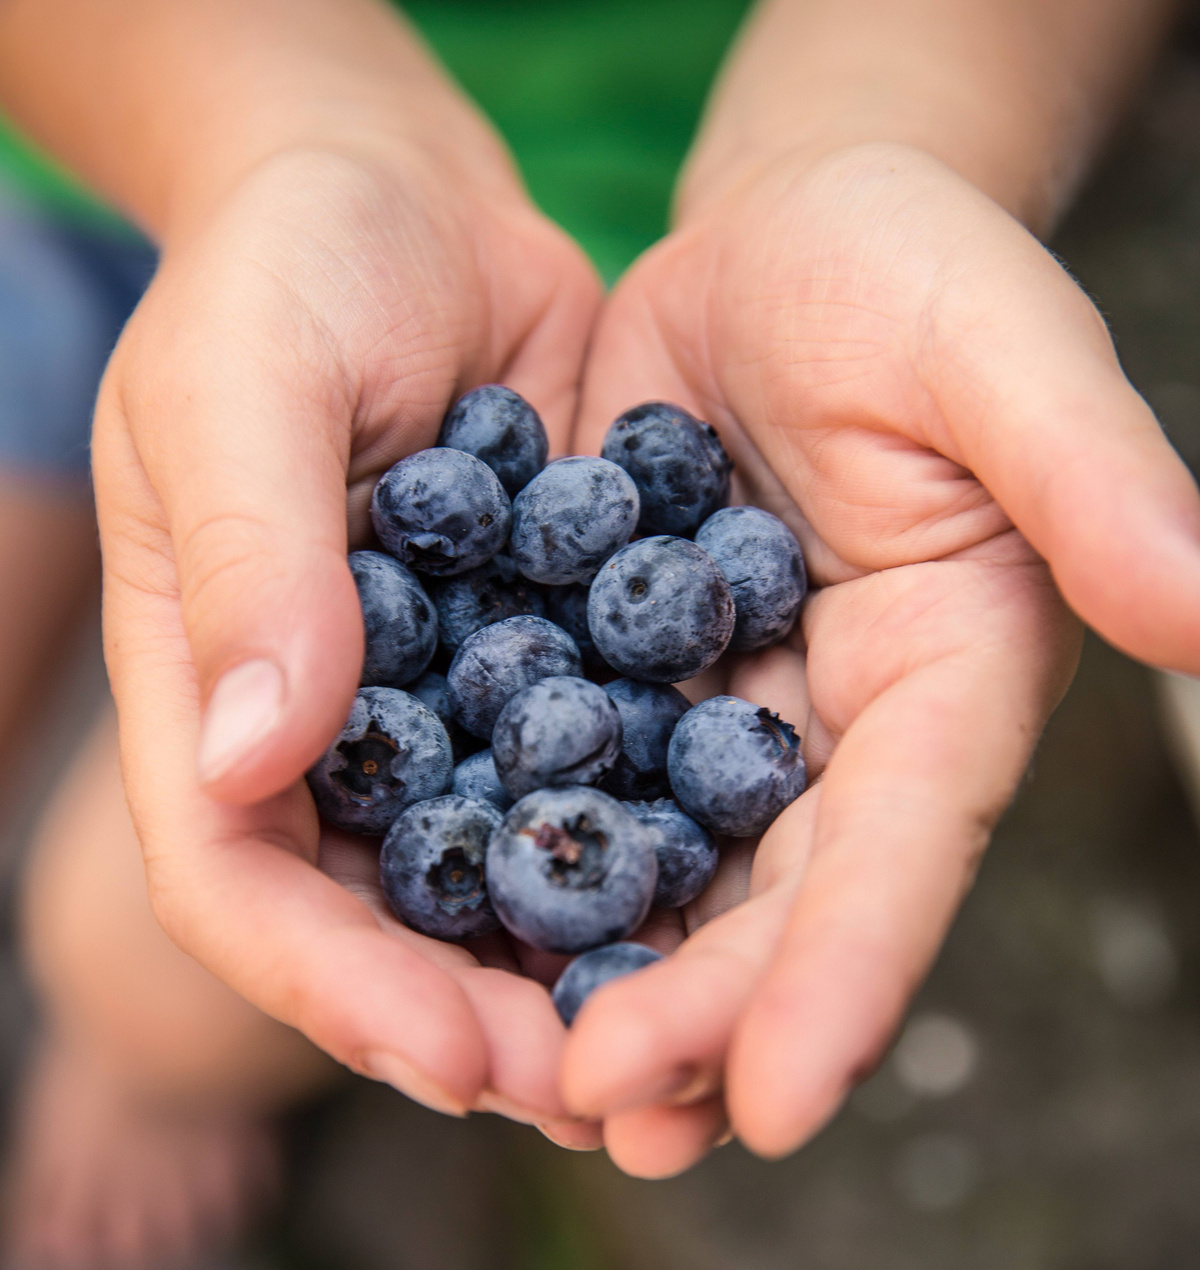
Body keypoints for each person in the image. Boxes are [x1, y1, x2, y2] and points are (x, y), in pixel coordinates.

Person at [0, 0, 1197, 1262]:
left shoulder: (589, 708)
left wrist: (885, 130)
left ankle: (137, 1065)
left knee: (131, 964)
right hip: (143, 163)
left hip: (673, 209)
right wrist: (275, 140)